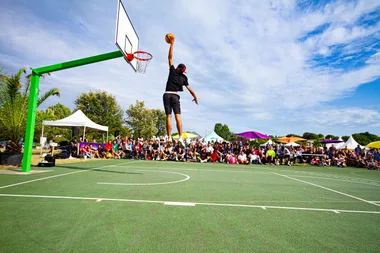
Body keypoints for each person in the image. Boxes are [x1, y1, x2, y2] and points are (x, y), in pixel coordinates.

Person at [164, 35, 198, 147]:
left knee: (168, 116)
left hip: (167, 95)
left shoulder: (173, 71)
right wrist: (195, 97)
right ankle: (180, 138)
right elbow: (190, 89)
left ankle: (168, 137)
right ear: (182, 70)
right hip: (175, 96)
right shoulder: (184, 78)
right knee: (178, 117)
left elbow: (170, 58)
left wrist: (172, 44)